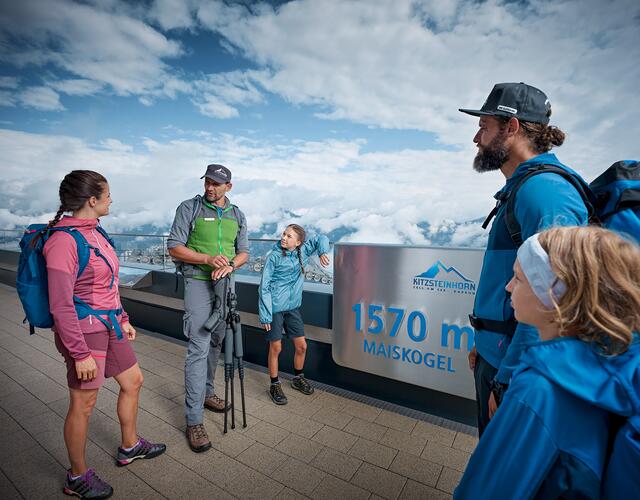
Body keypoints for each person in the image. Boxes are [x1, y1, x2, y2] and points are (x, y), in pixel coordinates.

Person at [454, 226, 640, 499]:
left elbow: (486, 490)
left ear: (553, 295)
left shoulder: (538, 392)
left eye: (518, 278)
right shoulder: (611, 369)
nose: (508, 287)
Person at [459, 82, 590, 435]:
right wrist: (485, 345)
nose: (476, 138)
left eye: (484, 127)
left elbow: (556, 300)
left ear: (512, 127)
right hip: (497, 355)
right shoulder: (523, 189)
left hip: (515, 370)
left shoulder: (545, 193)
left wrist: (507, 379)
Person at [43, 170, 166, 500]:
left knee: (133, 381)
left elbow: (107, 284)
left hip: (109, 326)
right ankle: (77, 477)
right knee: (84, 404)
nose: (112, 200)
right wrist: (79, 352)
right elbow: (60, 304)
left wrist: (122, 317)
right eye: (108, 194)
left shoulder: (96, 233)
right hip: (84, 333)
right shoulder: (62, 242)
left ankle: (130, 446)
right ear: (92, 200)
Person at [167, 164, 249, 452]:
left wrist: (229, 265)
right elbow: (175, 247)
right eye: (207, 182)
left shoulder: (237, 214)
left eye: (216, 183)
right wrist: (207, 259)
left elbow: (244, 253)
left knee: (217, 341)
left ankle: (208, 393)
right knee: (199, 345)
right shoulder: (188, 208)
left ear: (229, 186)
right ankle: (194, 421)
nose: (210, 187)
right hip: (197, 282)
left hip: (225, 284)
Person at [259, 224, 330, 405]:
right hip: (274, 309)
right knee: (276, 348)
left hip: (293, 308)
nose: (283, 238)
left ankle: (298, 379)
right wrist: (266, 314)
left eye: (289, 236)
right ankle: (274, 384)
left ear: (298, 242)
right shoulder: (274, 257)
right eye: (284, 234)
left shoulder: (303, 251)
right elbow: (264, 286)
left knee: (302, 346)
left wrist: (322, 252)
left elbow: (321, 237)